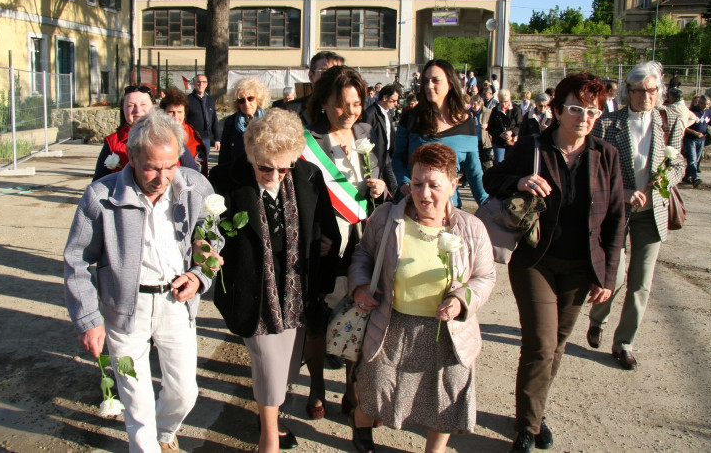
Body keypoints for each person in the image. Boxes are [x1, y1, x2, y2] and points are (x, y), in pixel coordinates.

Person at [483, 73, 626, 453]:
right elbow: (491, 178)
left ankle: (534, 412)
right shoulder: (533, 146)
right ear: (558, 110)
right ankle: (527, 429)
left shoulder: (605, 155)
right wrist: (520, 182)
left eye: (593, 110)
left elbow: (615, 220)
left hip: (581, 268)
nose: (584, 117)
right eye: (577, 108)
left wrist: (607, 275)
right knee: (541, 344)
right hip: (535, 261)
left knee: (558, 345)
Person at [64, 109, 220, 452]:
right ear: (131, 157)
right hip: (125, 310)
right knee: (136, 401)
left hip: (175, 304)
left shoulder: (196, 189)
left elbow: (213, 240)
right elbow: (76, 260)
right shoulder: (101, 197)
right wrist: (89, 320)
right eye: (152, 167)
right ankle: (146, 444)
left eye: (170, 166)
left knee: (184, 392)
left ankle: (163, 434)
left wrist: (198, 275)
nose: (162, 177)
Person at [348, 143, 496, 453]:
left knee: (445, 398)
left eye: (434, 185)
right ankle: (361, 427)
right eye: (417, 184)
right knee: (376, 391)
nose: (423, 193)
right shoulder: (389, 218)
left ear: (454, 185)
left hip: (447, 332)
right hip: (392, 324)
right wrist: (360, 286)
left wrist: (461, 300)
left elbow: (485, 276)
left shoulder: (471, 228)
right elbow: (363, 254)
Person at [210, 108, 340, 453]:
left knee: (286, 367)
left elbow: (325, 225)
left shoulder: (307, 174)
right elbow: (207, 232)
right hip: (254, 289)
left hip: (297, 289)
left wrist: (324, 245)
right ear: (251, 154)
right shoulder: (225, 180)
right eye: (265, 166)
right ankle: (268, 435)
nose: (274, 175)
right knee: (268, 362)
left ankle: (272, 415)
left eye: (284, 168)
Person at [303, 65, 397, 419]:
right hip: (327, 242)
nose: (349, 112)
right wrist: (315, 236)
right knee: (318, 317)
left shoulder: (367, 131)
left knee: (361, 314)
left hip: (363, 241)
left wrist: (382, 188)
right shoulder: (308, 142)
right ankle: (316, 386)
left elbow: (383, 172)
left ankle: (352, 386)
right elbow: (301, 197)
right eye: (341, 104)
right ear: (324, 103)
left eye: (356, 103)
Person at [587, 61, 684, 371]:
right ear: (628, 91)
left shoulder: (670, 121)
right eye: (639, 90)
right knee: (613, 277)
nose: (646, 96)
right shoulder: (607, 124)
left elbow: (679, 163)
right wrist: (623, 190)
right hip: (616, 212)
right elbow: (597, 170)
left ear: (660, 91)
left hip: (652, 213)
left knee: (641, 283)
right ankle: (597, 319)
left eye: (652, 90)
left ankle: (624, 342)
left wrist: (666, 179)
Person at [393, 59, 488, 208]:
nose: (429, 86)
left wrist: (486, 204)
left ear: (450, 83)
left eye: (435, 80)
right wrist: (405, 182)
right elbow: (397, 158)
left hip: (449, 210)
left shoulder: (466, 122)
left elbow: (474, 171)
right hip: (413, 207)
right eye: (425, 81)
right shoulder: (411, 117)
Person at [93, 85, 197, 181]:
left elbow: (194, 174)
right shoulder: (113, 143)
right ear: (123, 108)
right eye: (131, 105)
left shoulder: (170, 135)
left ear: (154, 106)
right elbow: (98, 183)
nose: (137, 110)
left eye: (143, 104)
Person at [283, 51, 345, 126]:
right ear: (311, 76)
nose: (332, 77)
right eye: (324, 72)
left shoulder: (354, 110)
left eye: (337, 72)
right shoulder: (291, 110)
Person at [219, 78, 270, 166]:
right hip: (238, 172)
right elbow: (224, 154)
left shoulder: (269, 120)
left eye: (250, 98)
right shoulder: (230, 122)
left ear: (258, 99)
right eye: (241, 100)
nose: (246, 104)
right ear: (237, 103)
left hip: (264, 171)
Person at [161, 88, 208, 175]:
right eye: (171, 112)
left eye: (179, 112)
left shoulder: (192, 132)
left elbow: (200, 161)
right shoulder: (156, 131)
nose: (175, 117)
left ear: (185, 113)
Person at [682, 95, 711, 187]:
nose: (705, 106)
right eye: (704, 104)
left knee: (696, 160)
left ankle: (687, 176)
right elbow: (684, 126)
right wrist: (695, 133)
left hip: (702, 139)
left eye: (707, 104)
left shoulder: (708, 112)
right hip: (691, 139)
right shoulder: (692, 112)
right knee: (692, 159)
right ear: (699, 103)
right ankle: (695, 177)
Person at [185, 74, 221, 153]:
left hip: (206, 139)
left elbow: (214, 120)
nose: (201, 84)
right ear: (194, 84)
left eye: (203, 82)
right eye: (198, 82)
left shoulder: (210, 100)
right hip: (192, 139)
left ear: (206, 84)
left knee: (204, 163)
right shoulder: (188, 100)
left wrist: (217, 139)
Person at [363, 83, 401, 157]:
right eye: (394, 101)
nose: (396, 103)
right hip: (376, 157)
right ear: (385, 98)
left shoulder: (388, 112)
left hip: (388, 155)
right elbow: (364, 138)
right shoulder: (370, 114)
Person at [488, 89, 522, 164]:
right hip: (498, 141)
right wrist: (500, 134)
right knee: (499, 163)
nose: (503, 104)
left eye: (506, 101)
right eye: (501, 101)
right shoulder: (495, 110)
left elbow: (520, 125)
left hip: (512, 141)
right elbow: (490, 128)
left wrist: (511, 132)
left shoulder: (516, 110)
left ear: (510, 99)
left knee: (510, 163)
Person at [468, 94, 493, 172]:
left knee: (486, 162)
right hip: (473, 140)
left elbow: (494, 125)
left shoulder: (488, 112)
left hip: (484, 140)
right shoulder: (468, 113)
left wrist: (488, 125)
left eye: (475, 104)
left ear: (480, 104)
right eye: (471, 104)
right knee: (471, 160)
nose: (473, 106)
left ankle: (488, 179)